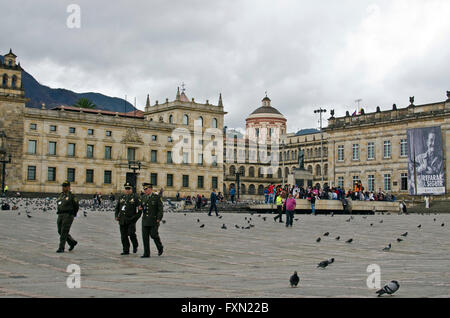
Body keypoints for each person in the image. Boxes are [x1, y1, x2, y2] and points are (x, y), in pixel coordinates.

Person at [115, 182, 142, 255]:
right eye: (126, 189)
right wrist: (116, 216)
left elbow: (140, 210)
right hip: (122, 219)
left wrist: (135, 218)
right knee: (123, 236)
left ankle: (135, 245)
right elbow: (117, 207)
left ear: (131, 189)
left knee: (131, 233)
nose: (127, 190)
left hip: (131, 219)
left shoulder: (136, 197)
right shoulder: (122, 197)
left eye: (128, 189)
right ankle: (126, 250)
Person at [139, 183, 164, 258]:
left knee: (154, 235)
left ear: (151, 189)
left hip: (154, 220)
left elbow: (160, 209)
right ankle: (146, 253)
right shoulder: (143, 197)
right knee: (145, 237)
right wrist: (140, 208)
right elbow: (142, 206)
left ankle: (160, 247)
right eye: (144, 189)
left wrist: (159, 218)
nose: (145, 191)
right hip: (145, 220)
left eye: (146, 189)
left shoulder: (156, 197)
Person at [56, 181, 79, 253]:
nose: (63, 188)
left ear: (68, 187)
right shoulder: (61, 195)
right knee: (60, 230)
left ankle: (61, 247)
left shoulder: (72, 196)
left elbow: (76, 206)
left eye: (65, 186)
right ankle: (72, 242)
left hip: (68, 215)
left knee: (64, 231)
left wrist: (73, 214)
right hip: (60, 214)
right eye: (63, 186)